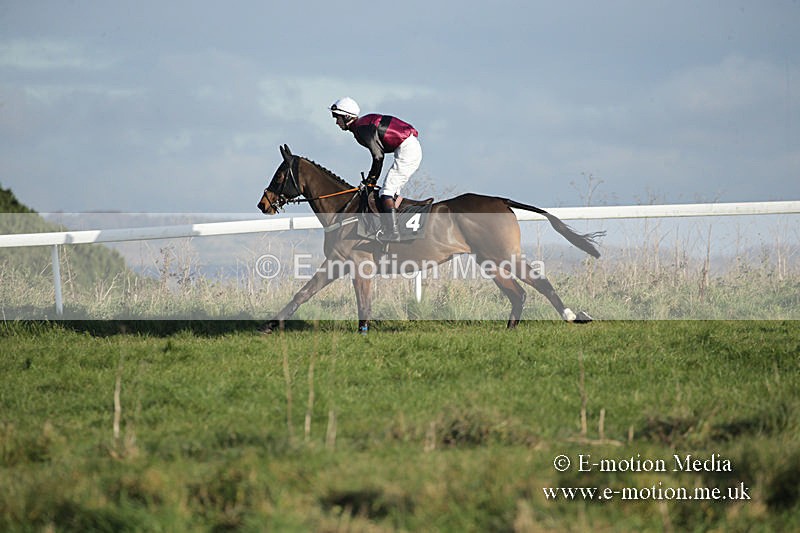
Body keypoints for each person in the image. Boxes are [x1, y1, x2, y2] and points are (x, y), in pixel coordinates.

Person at [329, 97, 422, 240]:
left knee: (386, 192)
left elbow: (378, 157)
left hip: (407, 149)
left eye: (337, 117)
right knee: (389, 192)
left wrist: (371, 179)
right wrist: (371, 179)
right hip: (405, 148)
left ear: (347, 116)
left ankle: (393, 233)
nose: (336, 122)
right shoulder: (361, 126)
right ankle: (393, 225)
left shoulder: (362, 129)